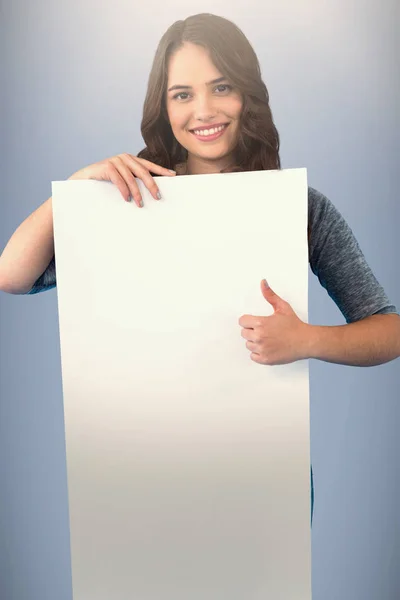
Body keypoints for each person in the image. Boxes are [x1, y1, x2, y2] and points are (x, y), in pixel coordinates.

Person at [0, 14, 399, 526]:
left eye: (222, 87)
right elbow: (12, 274)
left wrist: (307, 340)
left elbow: (387, 329)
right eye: (182, 94)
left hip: (265, 474)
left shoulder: (297, 208)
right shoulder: (129, 202)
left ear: (247, 94)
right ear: (163, 108)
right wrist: (78, 188)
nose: (204, 110)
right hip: (146, 469)